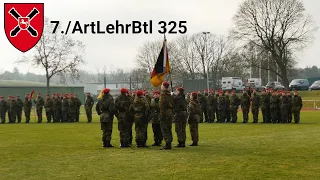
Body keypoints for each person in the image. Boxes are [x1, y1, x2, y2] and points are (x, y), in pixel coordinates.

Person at [159, 81, 174, 150]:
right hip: (170, 112)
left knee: (165, 128)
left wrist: (162, 115)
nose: (161, 86)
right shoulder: (170, 94)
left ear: (164, 86)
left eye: (162, 85)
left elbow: (162, 105)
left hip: (165, 112)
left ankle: (167, 143)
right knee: (169, 128)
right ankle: (169, 142)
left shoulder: (163, 94)